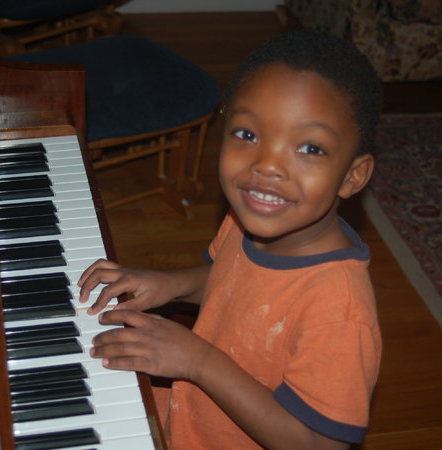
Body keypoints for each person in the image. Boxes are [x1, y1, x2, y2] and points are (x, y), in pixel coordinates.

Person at [78, 29, 383, 449]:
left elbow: (318, 444)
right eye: (248, 134)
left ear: (353, 175)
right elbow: (228, 279)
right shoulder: (248, 219)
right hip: (185, 415)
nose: (267, 166)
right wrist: (171, 283)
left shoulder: (341, 312)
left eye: (310, 148)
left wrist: (197, 361)